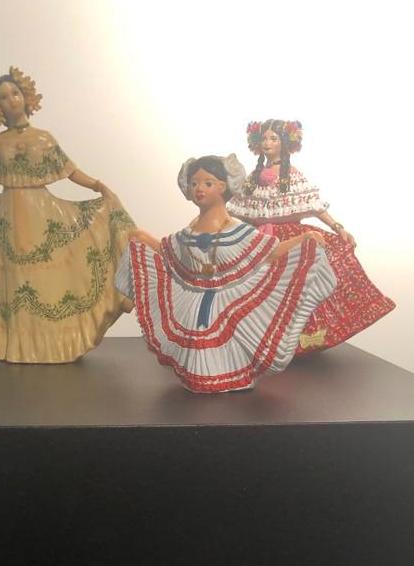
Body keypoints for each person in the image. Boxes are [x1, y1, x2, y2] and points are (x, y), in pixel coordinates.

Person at [0, 67, 135, 363]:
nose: (11, 100)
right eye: (4, 96)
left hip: (42, 214)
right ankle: (19, 345)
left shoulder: (44, 138)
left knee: (47, 280)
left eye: (15, 93)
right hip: (9, 218)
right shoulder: (1, 141)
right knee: (16, 281)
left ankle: (57, 343)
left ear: (26, 95)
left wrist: (98, 185)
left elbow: (69, 170)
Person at [115, 154, 336, 393]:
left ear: (223, 186)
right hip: (192, 304)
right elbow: (168, 253)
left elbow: (269, 253)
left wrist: (303, 239)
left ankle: (229, 376)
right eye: (194, 183)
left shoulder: (237, 230)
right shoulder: (188, 231)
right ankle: (201, 379)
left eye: (207, 183)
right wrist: (143, 238)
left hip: (230, 302)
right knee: (197, 348)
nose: (199, 189)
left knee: (227, 346)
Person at [227, 120, 394, 352]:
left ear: (285, 143)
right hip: (261, 239)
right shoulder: (253, 177)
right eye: (264, 138)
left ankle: (300, 339)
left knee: (298, 287)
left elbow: (314, 206)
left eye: (273, 138)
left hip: (290, 238)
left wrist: (338, 227)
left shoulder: (292, 174)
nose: (267, 143)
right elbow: (240, 210)